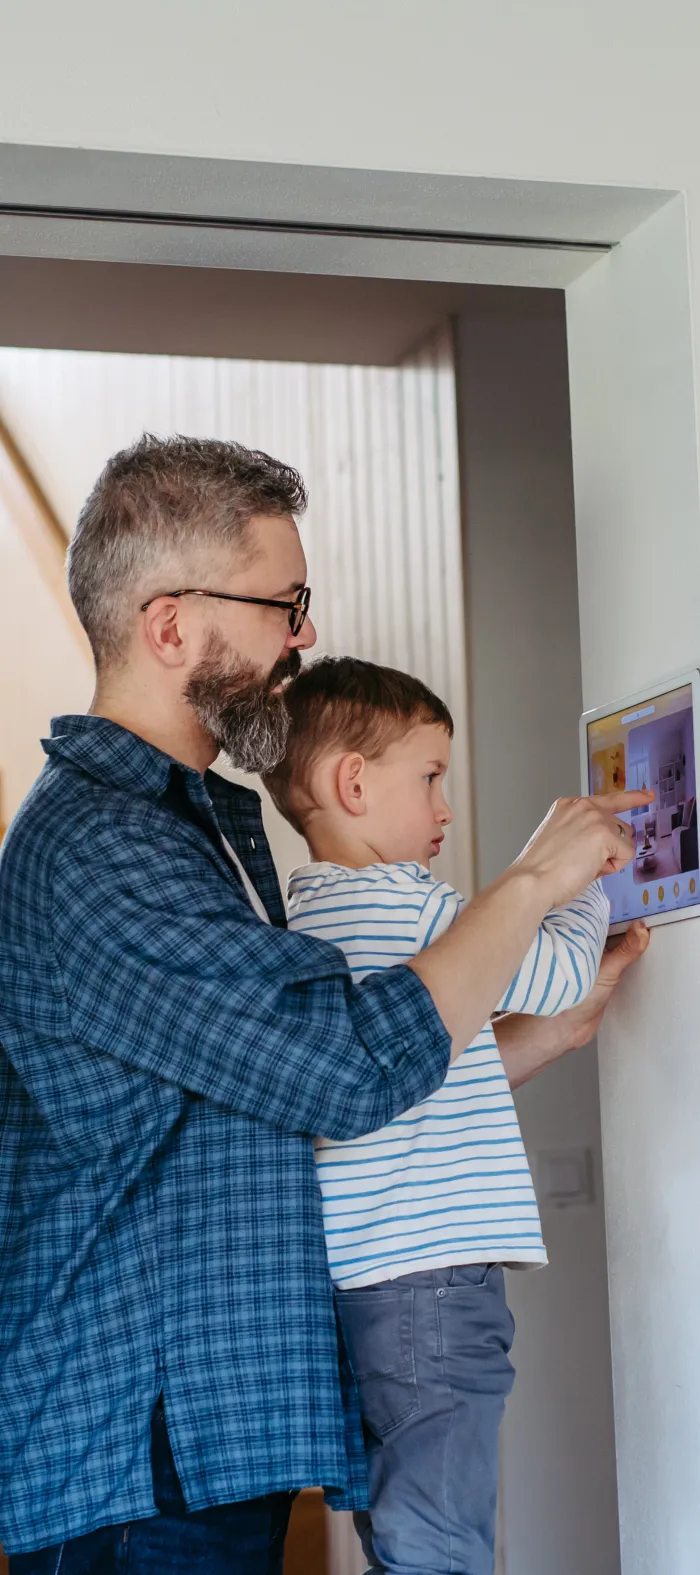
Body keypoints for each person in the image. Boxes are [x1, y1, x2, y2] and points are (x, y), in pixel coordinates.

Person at [0, 435, 650, 1574]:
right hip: (134, 1446)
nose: (302, 635)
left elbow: (276, 1097)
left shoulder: (198, 831)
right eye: (282, 603)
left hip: (193, 1437)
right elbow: (344, 1069)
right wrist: (535, 884)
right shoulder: (104, 848)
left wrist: (533, 1044)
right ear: (170, 626)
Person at [263, 654, 648, 1575]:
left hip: (359, 1297)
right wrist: (588, 880)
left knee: (406, 1532)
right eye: (430, 777)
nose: (444, 807)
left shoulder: (302, 922)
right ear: (353, 781)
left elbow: (441, 1069)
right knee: (440, 1547)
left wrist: (559, 1029)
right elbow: (551, 970)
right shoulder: (409, 908)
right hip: (433, 1291)